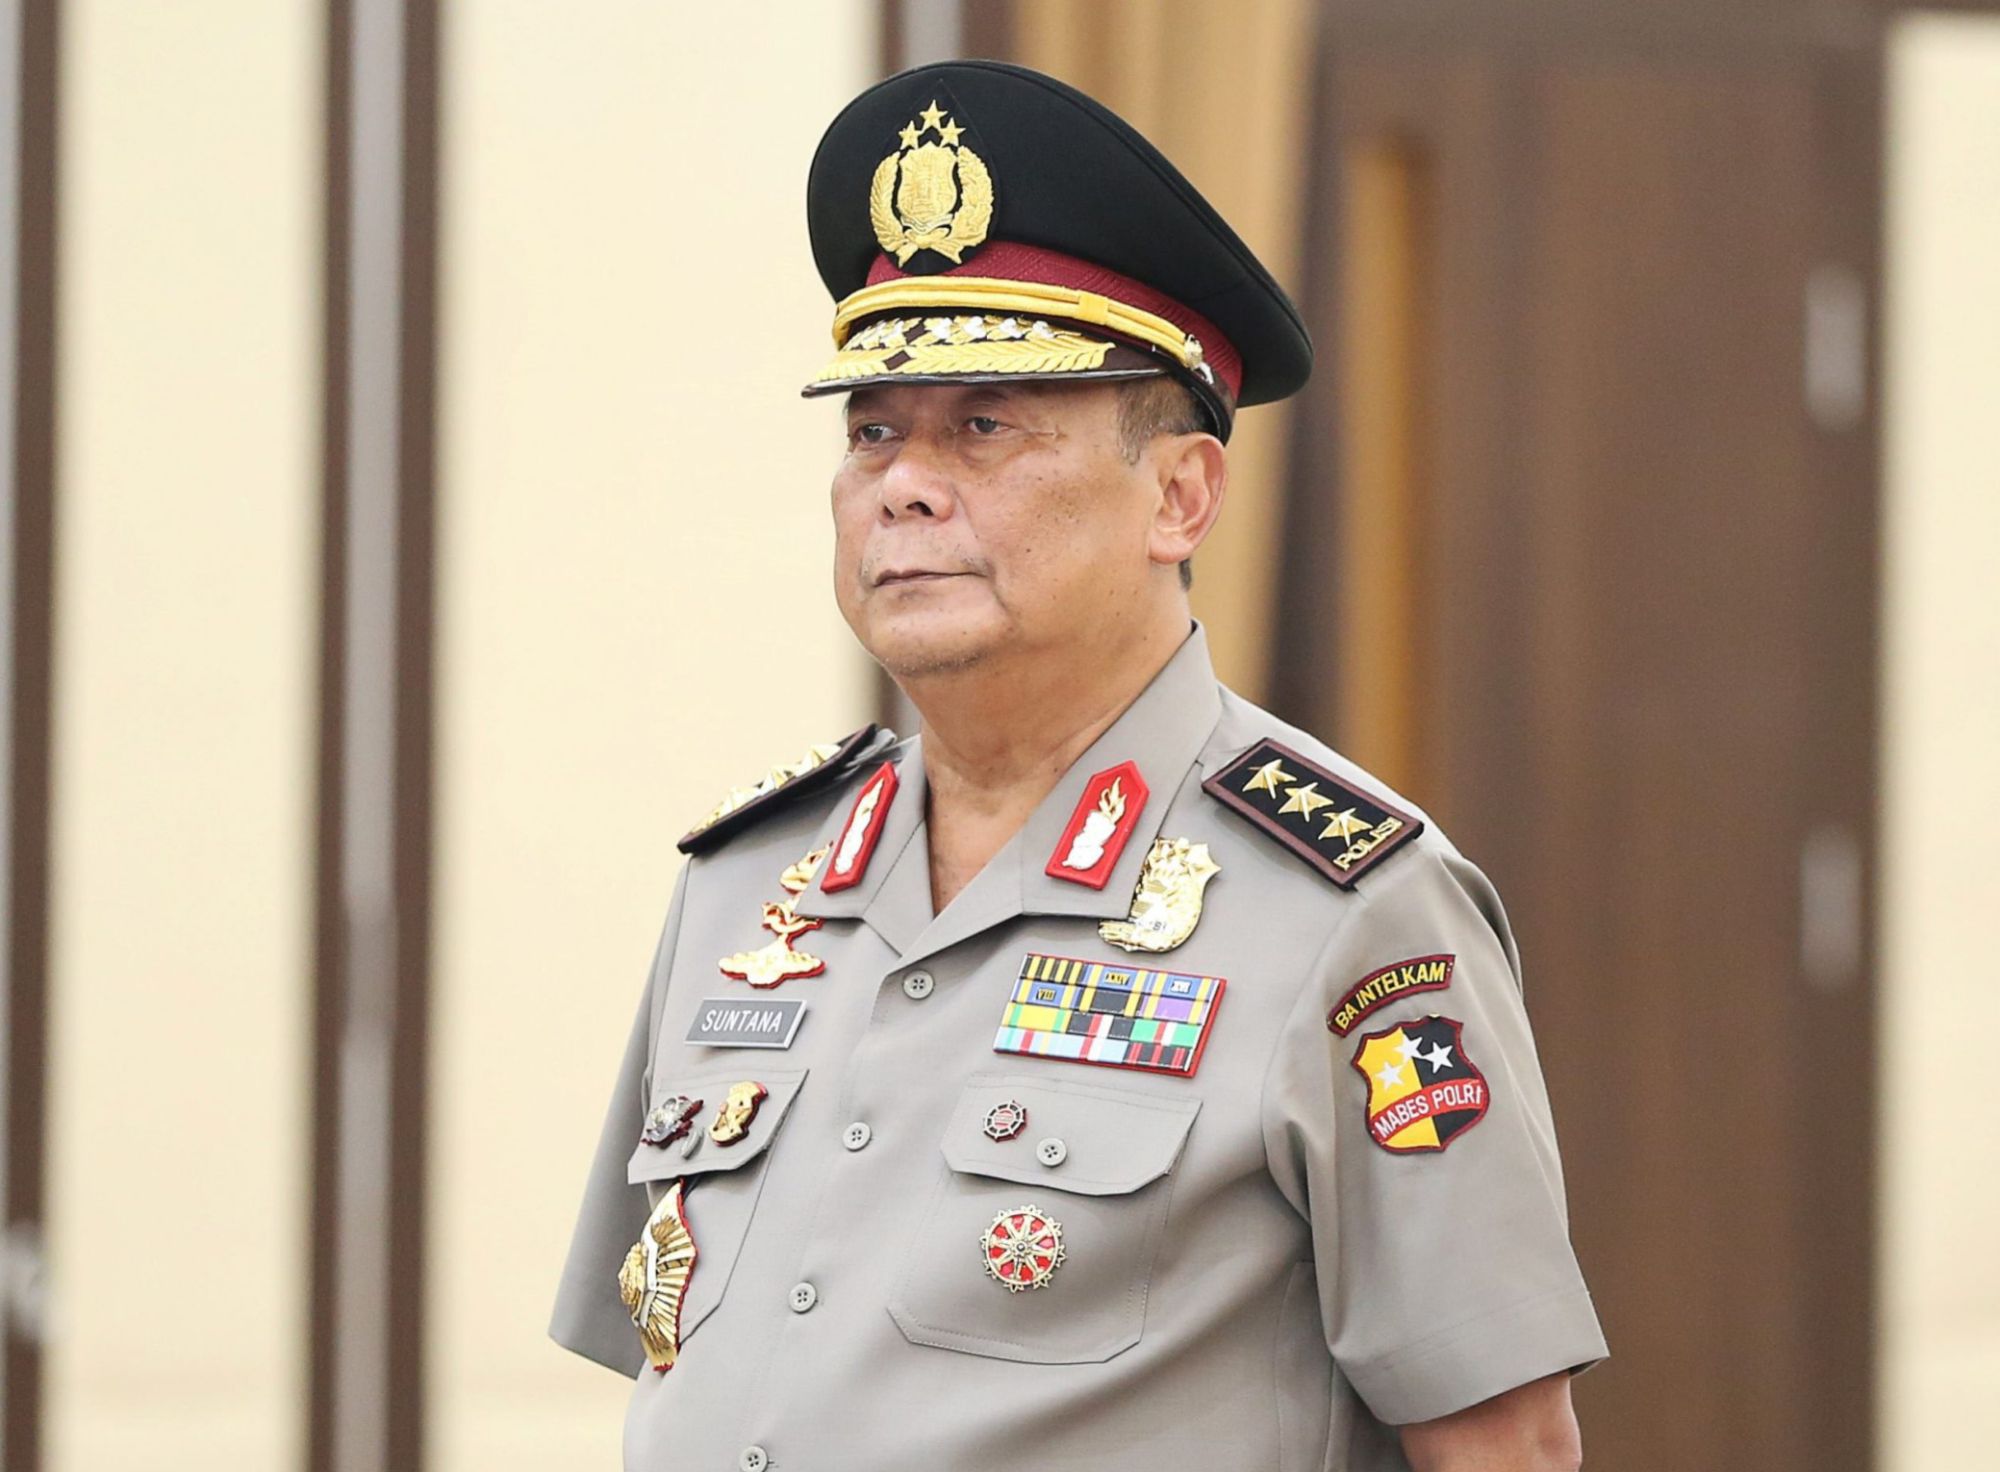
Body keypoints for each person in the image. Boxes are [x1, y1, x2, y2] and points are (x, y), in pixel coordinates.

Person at [552, 59, 1605, 1472]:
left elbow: (1503, 1443)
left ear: (1180, 496)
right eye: (873, 432)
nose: (903, 485)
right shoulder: (751, 885)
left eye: (984, 426)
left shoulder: (1349, 908)